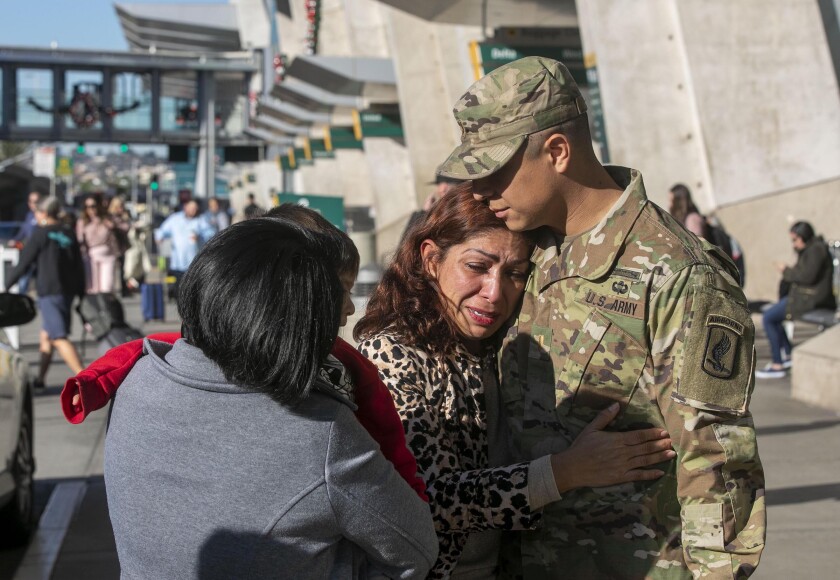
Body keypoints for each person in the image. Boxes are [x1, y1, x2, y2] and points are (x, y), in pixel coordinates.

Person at [436, 56, 765, 578]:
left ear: (558, 152)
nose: (480, 191)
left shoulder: (677, 273)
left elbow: (717, 458)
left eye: (496, 171)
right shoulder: (526, 255)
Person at [355, 187, 676, 578]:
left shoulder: (499, 344)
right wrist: (566, 471)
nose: (494, 292)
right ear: (431, 259)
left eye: (515, 274)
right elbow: (427, 497)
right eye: (477, 266)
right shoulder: (392, 353)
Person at [104, 217, 438, 578]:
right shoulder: (319, 432)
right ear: (293, 321)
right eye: (336, 296)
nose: (349, 311)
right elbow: (415, 549)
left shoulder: (135, 381)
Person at [61, 204, 427, 502]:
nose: (349, 308)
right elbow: (410, 539)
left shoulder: (143, 387)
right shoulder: (325, 426)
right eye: (338, 291)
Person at [5, 197, 85, 388]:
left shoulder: (40, 234)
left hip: (50, 290)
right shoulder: (68, 232)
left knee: (58, 337)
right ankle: (40, 379)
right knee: (46, 335)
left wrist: (7, 285)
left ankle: (85, 377)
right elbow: (79, 265)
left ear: (43, 213)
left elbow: (25, 262)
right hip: (67, 291)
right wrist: (81, 292)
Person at [756, 221, 836, 379]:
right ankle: (788, 354)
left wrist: (786, 270)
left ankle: (777, 364)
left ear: (803, 236)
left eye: (795, 240)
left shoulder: (816, 250)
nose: (793, 244)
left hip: (811, 299)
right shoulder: (810, 250)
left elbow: (806, 276)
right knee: (774, 316)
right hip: (803, 297)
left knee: (769, 318)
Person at [154, 199, 215, 299]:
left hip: (193, 262)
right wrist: (159, 237)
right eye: (191, 208)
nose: (193, 211)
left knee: (192, 290)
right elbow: (162, 230)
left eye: (195, 209)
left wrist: (200, 237)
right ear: (185, 207)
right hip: (178, 262)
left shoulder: (200, 220)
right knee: (179, 289)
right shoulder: (175, 219)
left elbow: (211, 233)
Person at [76, 194, 121, 293]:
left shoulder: (107, 219)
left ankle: (105, 306)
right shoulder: (83, 222)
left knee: (107, 287)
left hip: (108, 255)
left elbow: (124, 227)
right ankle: (94, 307)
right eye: (87, 207)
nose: (91, 209)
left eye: (93, 206)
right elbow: (80, 240)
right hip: (90, 256)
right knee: (92, 288)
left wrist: (113, 226)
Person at [401, 175, 461, 241]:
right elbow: (407, 242)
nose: (440, 189)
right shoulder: (434, 213)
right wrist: (424, 212)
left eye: (449, 183)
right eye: (439, 184)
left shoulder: (461, 212)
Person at [7, 191, 43, 294]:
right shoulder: (29, 215)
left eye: (35, 201)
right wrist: (15, 240)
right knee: (24, 280)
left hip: (40, 255)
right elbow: (24, 231)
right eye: (30, 201)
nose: (33, 204)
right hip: (29, 253)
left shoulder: (43, 216)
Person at [107, 196, 132, 296]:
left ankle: (123, 288)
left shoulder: (123, 217)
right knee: (113, 269)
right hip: (112, 248)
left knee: (122, 269)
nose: (121, 209)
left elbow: (126, 227)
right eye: (119, 207)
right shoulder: (110, 217)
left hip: (121, 247)